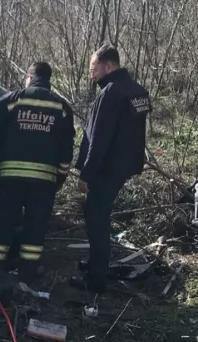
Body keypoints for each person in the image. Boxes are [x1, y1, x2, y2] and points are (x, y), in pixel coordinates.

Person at [0, 62, 75, 285]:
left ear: (29, 76)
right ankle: (27, 276)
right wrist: (60, 177)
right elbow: (67, 148)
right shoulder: (61, 107)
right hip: (44, 183)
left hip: (10, 179)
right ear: (49, 79)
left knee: (3, 226)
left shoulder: (15, 98)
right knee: (35, 231)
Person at [71, 44, 151, 294]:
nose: (92, 75)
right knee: (99, 216)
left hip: (106, 168)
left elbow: (99, 138)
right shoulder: (137, 91)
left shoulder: (111, 93)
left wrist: (86, 174)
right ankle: (97, 264)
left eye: (94, 69)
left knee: (96, 218)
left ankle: (96, 279)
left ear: (108, 66)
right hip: (124, 166)